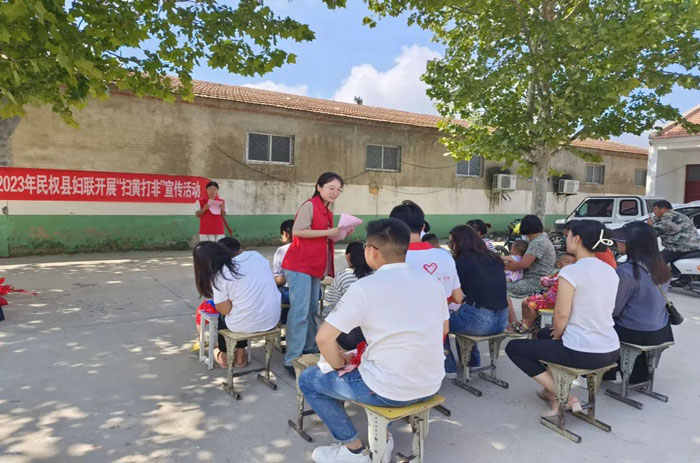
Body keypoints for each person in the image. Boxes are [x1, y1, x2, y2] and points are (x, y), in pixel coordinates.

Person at [298, 219, 448, 463]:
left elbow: (324, 337)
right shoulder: (431, 282)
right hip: (431, 382)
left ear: (372, 251)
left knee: (308, 380)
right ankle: (383, 439)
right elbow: (443, 328)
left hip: (389, 389)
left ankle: (354, 451)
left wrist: (339, 366)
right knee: (369, 363)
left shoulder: (365, 287)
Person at [505, 220, 620, 417]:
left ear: (577, 239)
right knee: (542, 334)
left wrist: (559, 333)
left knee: (514, 348)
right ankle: (551, 390)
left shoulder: (571, 271)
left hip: (583, 350)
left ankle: (564, 395)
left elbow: (561, 314)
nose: (565, 239)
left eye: (568, 236)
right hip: (610, 348)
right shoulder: (609, 270)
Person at [281, 172, 347, 376]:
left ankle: (309, 349)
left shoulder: (327, 210)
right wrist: (329, 232)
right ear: (319, 187)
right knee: (299, 311)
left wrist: (341, 232)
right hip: (299, 264)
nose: (335, 192)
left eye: (338, 190)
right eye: (331, 188)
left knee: (310, 309)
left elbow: (321, 238)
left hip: (314, 265)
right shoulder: (310, 205)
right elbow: (299, 231)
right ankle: (292, 358)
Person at [193, 241, 280, 369]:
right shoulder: (256, 255)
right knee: (243, 311)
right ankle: (240, 356)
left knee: (228, 318)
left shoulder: (219, 276)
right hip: (272, 319)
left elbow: (224, 310)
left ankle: (223, 355)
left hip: (244, 323)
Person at [608, 222, 674, 383]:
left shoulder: (626, 271)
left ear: (633, 244)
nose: (618, 243)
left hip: (635, 331)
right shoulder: (662, 266)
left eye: (622, 240)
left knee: (601, 324)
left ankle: (605, 373)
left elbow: (615, 310)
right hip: (661, 329)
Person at [444, 225, 510, 376]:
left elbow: (456, 296)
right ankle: (473, 363)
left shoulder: (462, 262)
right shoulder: (494, 258)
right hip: (501, 322)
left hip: (480, 323)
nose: (450, 247)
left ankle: (449, 368)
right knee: (467, 312)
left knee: (441, 320)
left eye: (451, 243)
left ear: (459, 242)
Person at [390, 201, 463, 305]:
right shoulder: (445, 256)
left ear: (393, 228)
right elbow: (457, 298)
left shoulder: (391, 259)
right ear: (423, 227)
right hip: (440, 319)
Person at [517, 253, 577, 333]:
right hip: (549, 298)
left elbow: (558, 295)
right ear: (558, 264)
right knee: (524, 302)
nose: (570, 265)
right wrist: (547, 280)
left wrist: (546, 295)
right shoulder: (558, 275)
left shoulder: (567, 278)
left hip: (554, 302)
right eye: (567, 262)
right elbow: (545, 282)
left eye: (573, 263)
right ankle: (525, 321)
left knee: (530, 305)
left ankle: (528, 324)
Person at [504, 215, 557, 298]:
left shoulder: (537, 242)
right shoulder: (541, 239)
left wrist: (500, 266)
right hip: (538, 280)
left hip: (535, 282)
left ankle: (507, 311)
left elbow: (523, 264)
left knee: (497, 285)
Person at [648, 199, 700, 264]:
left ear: (663, 209)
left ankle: (659, 274)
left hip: (680, 247)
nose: (654, 212)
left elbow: (653, 232)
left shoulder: (668, 217)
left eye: (655, 209)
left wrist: (649, 224)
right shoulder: (678, 215)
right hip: (692, 246)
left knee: (655, 262)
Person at [273, 219, 295, 308]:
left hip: (289, 294)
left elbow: (280, 280)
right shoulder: (311, 247)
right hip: (313, 292)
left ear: (286, 234)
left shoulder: (282, 250)